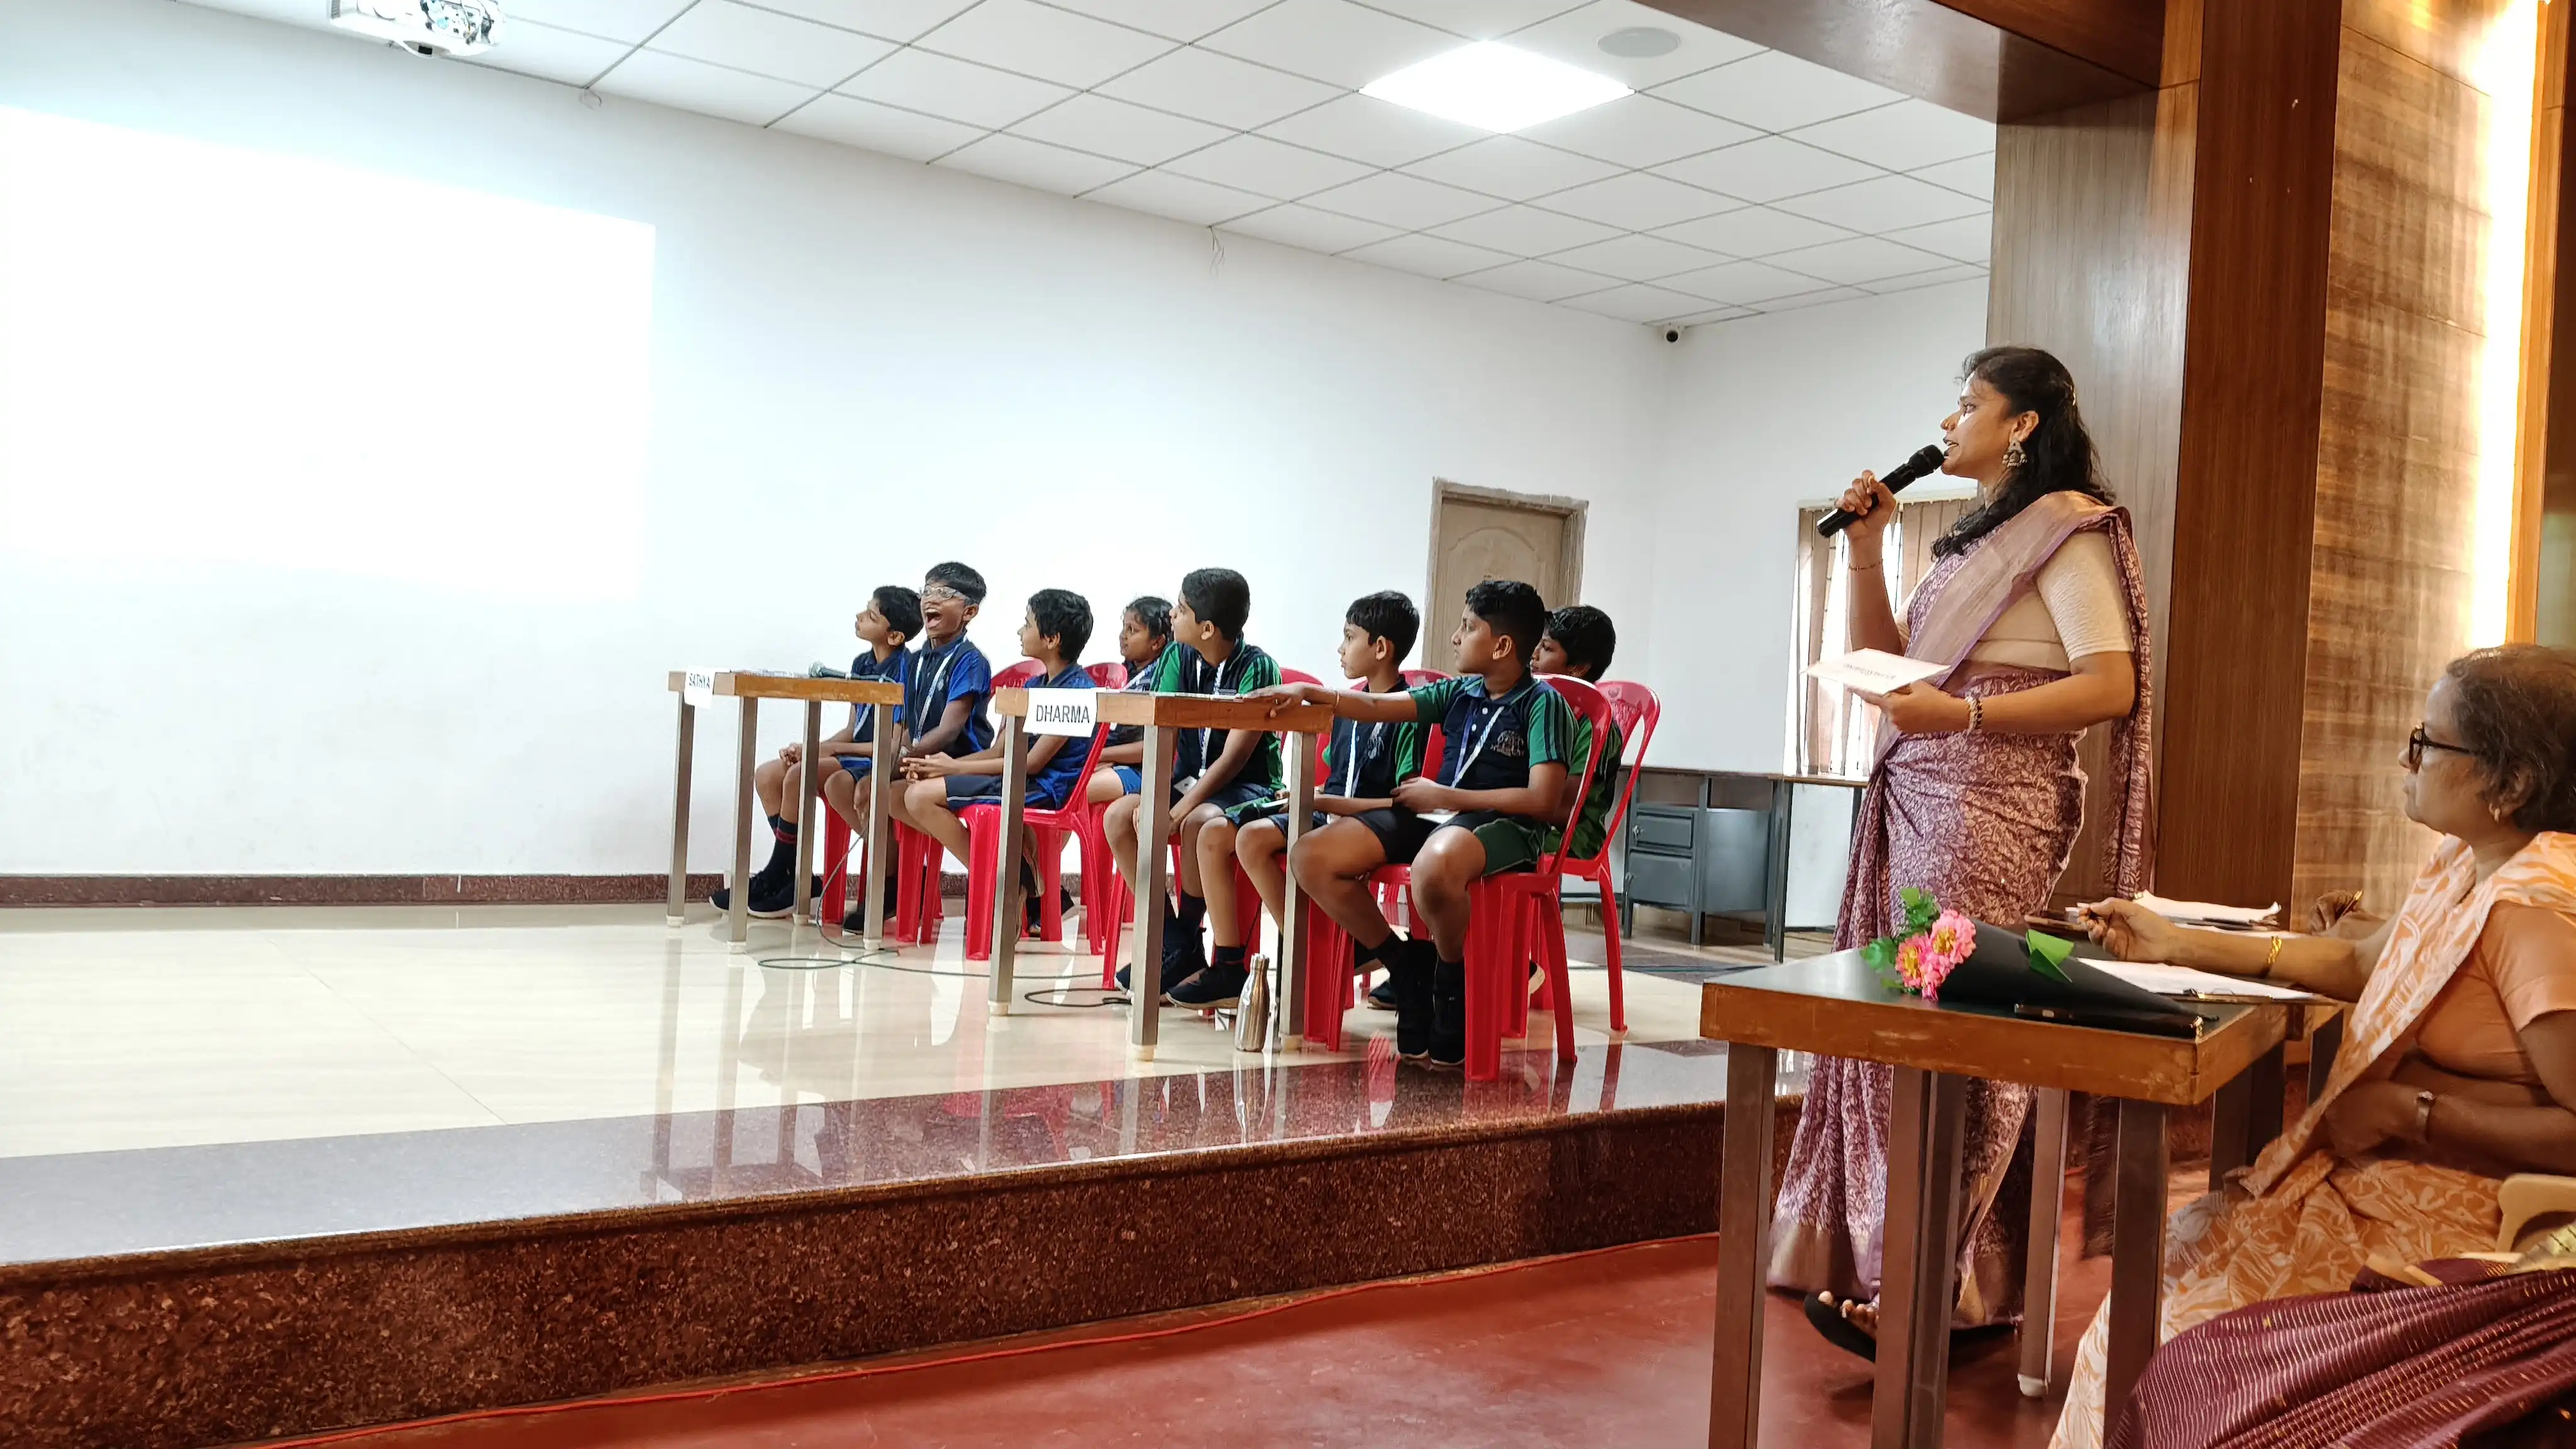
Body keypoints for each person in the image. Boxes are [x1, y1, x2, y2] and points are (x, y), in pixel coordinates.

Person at [2048, 647, 2576, 1449]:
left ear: (2509, 786)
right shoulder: (2466, 866)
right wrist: (2174, 942)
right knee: (2149, 1292)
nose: (2405, 759)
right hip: (2379, 1178)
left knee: (2179, 1338)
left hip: (2459, 1220)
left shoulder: (2533, 915)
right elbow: (2361, 963)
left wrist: (2411, 1111)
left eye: (2428, 743)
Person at [1771, 346, 2154, 1352]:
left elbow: (2110, 686)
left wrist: (1969, 716)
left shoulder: (2066, 530)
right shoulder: (1969, 544)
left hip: (1994, 804)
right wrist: (1866, 550)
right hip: (1919, 788)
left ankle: (1934, 1284)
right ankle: (1899, 1259)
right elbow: (1895, 670)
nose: (1948, 423)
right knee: (1904, 1020)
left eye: (1968, 404)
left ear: (2022, 424)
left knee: (1953, 1027)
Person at [1263, 580, 1573, 1068]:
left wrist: (1445, 795)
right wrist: (1309, 692)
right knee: (1310, 857)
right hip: (1438, 817)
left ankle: (1450, 974)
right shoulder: (1458, 692)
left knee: (1434, 866)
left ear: (1501, 646)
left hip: (1504, 824)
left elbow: (1542, 799)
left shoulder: (1542, 704)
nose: (1455, 637)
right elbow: (1376, 705)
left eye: (1468, 627)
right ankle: (1405, 963)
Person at [1216, 591, 1427, 1011]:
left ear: (1381, 649)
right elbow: (1335, 781)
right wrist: (1307, 796)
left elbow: (1403, 803)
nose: (1340, 649)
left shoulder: (1408, 714)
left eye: (1349, 637)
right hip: (1333, 813)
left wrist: (1328, 804)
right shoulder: (1345, 707)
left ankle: (1349, 948)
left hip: (1373, 823)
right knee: (1250, 838)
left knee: (1303, 847)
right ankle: (1308, 944)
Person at [1104, 568, 1282, 1001]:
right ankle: (1176, 943)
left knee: (1196, 820)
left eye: (1181, 610)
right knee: (1119, 818)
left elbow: (1234, 758)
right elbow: (1162, 733)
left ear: (1207, 628)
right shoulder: (1176, 657)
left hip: (1248, 785)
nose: (1171, 615)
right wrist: (1155, 797)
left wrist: (1180, 808)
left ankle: (1216, 955)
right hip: (1188, 778)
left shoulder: (1258, 667)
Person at [894, 589, 1095, 932]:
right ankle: (1014, 875)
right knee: (905, 793)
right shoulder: (1032, 685)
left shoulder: (1077, 693)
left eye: (1027, 625)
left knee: (918, 797)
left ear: (1052, 639)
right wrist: (940, 765)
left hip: (1045, 788)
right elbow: (1001, 751)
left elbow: (1031, 764)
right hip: (1017, 778)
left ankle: (1007, 882)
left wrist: (955, 767)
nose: (1020, 631)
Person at [713, 586, 919, 918]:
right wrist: (810, 748)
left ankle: (777, 873)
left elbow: (893, 745)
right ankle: (796, 874)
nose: (859, 617)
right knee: (768, 774)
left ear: (894, 636)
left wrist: (824, 752)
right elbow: (853, 728)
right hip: (850, 752)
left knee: (800, 774)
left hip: (874, 760)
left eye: (871, 615)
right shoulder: (862, 663)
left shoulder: (907, 670)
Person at [830, 561, 994, 931]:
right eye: (927, 591)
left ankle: (990, 876)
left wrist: (902, 760)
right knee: (872, 790)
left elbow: (949, 730)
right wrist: (890, 764)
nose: (931, 600)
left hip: (957, 762)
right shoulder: (914, 661)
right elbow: (903, 728)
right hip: (918, 761)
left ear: (969, 612)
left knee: (886, 793)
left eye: (944, 594)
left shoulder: (970, 661)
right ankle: (902, 877)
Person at [1087, 596, 1171, 809]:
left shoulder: (1163, 681)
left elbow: (1154, 748)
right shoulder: (1124, 676)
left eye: (1132, 630)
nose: (1123, 636)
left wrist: (1100, 755)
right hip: (1109, 760)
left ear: (1157, 642)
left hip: (1144, 771)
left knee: (1074, 788)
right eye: (1124, 627)